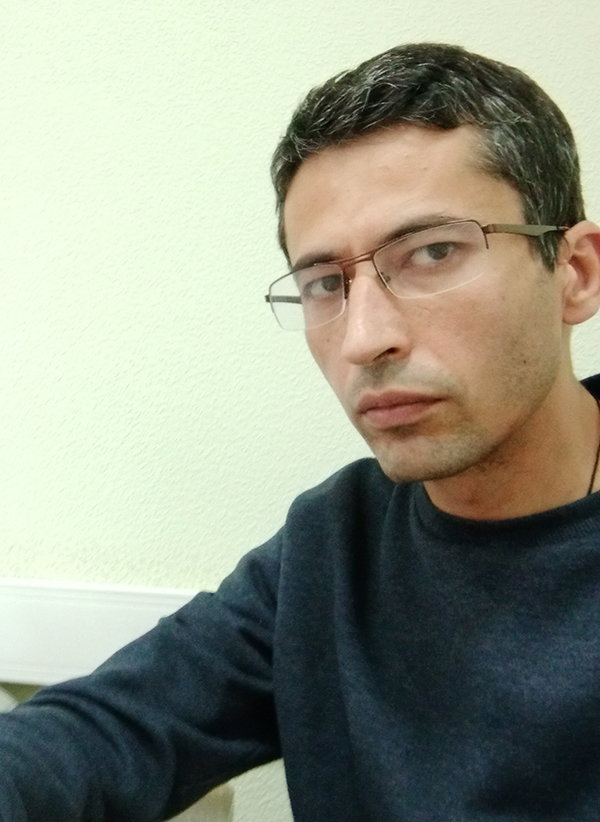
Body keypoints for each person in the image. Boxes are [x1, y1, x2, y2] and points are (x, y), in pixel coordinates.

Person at [1, 42, 600, 822]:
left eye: (432, 252)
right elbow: (104, 732)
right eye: (324, 284)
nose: (364, 339)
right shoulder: (333, 545)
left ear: (575, 273)